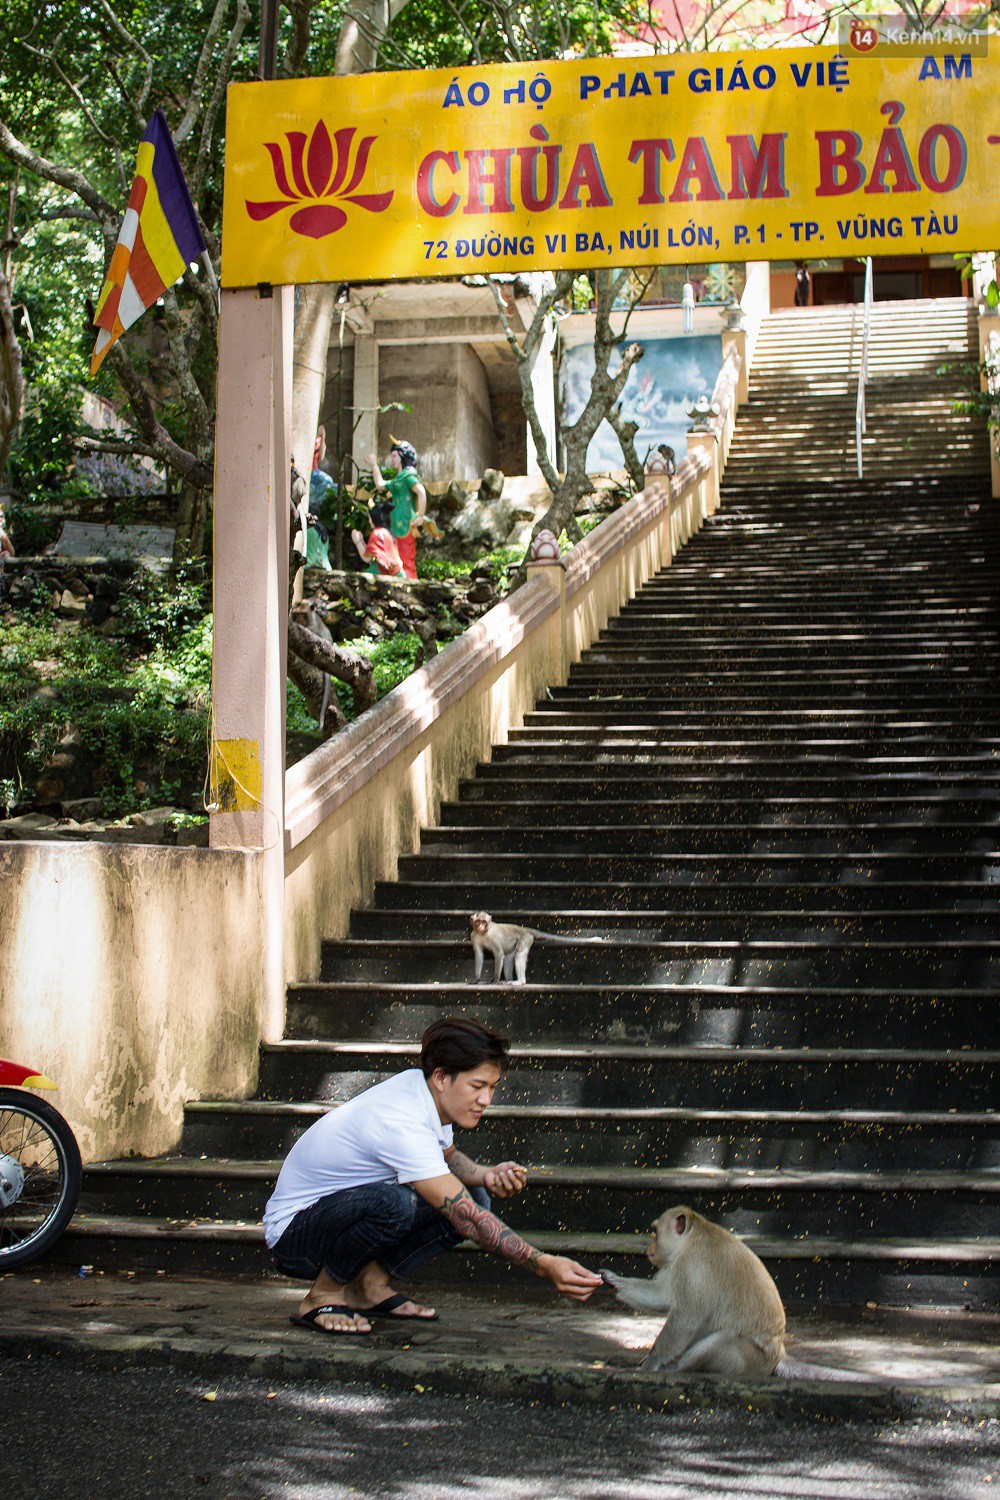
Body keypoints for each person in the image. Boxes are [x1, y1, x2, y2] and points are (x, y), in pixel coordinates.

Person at [264, 1016, 603, 1336]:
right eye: (477, 1085)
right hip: (296, 1239)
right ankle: (321, 1296)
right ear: (442, 1077)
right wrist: (543, 1264)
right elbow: (464, 1217)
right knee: (397, 1204)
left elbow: (449, 1158)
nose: (486, 1099)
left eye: (493, 1086)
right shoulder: (401, 1119)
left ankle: (368, 1288)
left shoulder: (423, 1092)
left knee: (476, 1196)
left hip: (334, 1218)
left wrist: (487, 1175)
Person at [367, 439, 427, 581]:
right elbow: (380, 484)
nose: (392, 459)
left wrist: (421, 515)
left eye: (394, 456)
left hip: (406, 521)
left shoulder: (408, 477)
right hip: (395, 522)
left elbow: (421, 492)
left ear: (402, 456)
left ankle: (410, 580)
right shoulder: (398, 479)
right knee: (396, 554)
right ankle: (400, 578)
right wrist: (374, 464)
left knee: (406, 554)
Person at [351, 500, 406, 579]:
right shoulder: (388, 532)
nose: (369, 521)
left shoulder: (376, 533)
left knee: (359, 579)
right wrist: (362, 542)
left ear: (375, 519)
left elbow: (366, 559)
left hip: (389, 573)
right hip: (397, 571)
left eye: (370, 518)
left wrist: (357, 541)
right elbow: (373, 557)